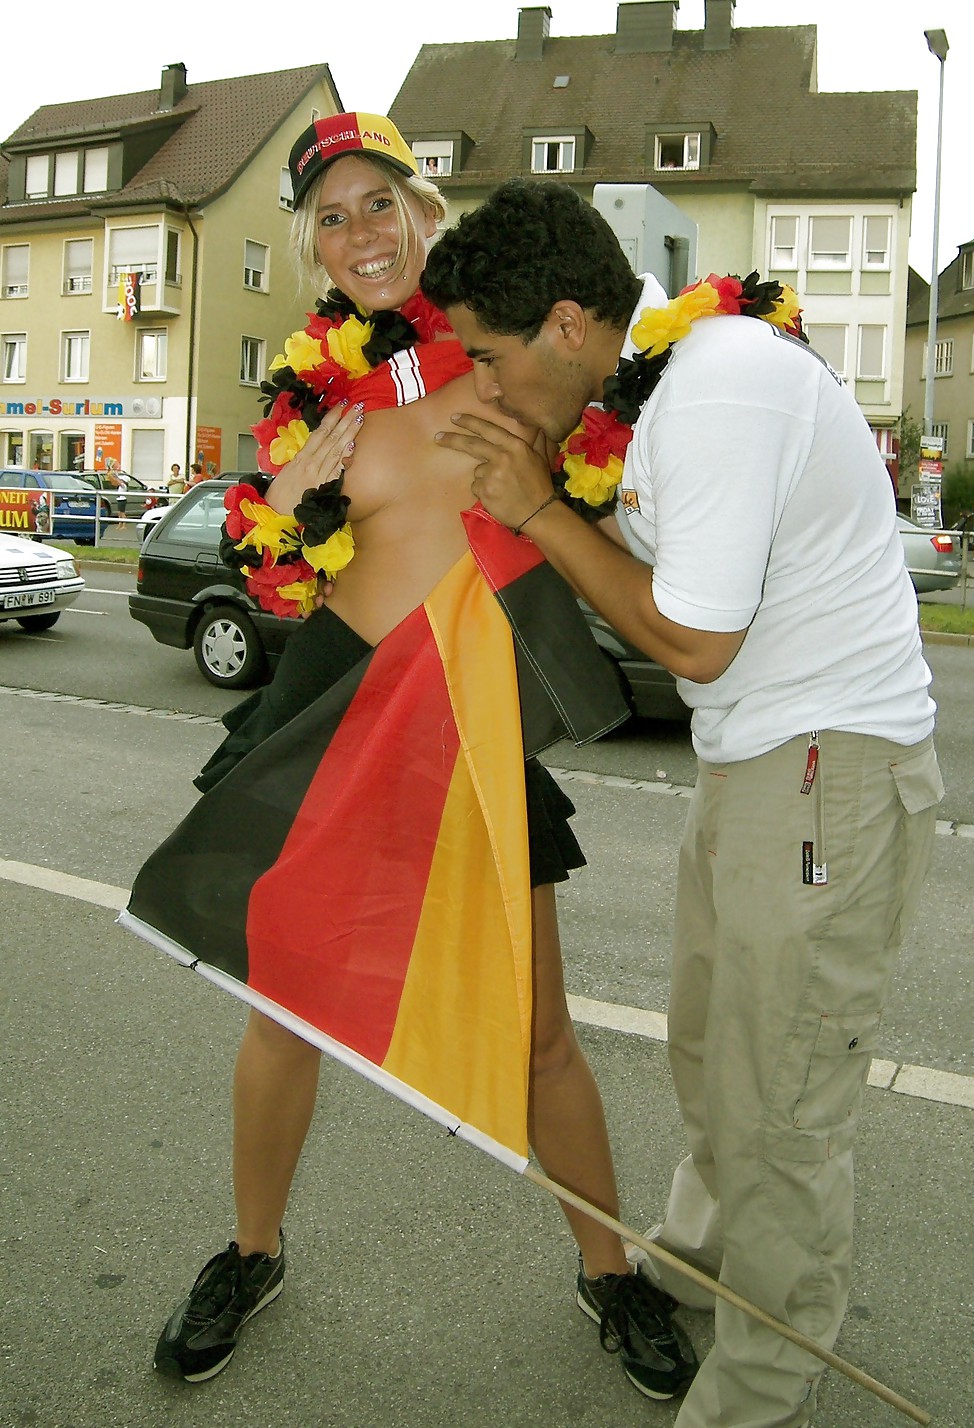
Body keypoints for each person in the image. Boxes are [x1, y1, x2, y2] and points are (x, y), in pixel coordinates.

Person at [148, 116, 694, 1400]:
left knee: (541, 1034)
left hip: (474, 708)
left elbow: (616, 411)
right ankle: (249, 1250)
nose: (360, 234)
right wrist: (285, 501)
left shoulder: (508, 353)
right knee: (283, 1016)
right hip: (334, 701)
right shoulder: (307, 394)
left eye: (378, 204)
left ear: (425, 211)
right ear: (315, 250)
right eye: (331, 219)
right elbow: (272, 580)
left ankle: (608, 1271)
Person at [423, 179, 944, 1428]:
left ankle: (758, 1386)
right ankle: (706, 1265)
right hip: (768, 760)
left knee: (783, 1101)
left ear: (562, 323)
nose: (484, 388)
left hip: (824, 768)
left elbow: (693, 642)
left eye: (488, 359)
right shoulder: (659, 378)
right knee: (717, 1054)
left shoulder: (714, 388)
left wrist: (542, 509)